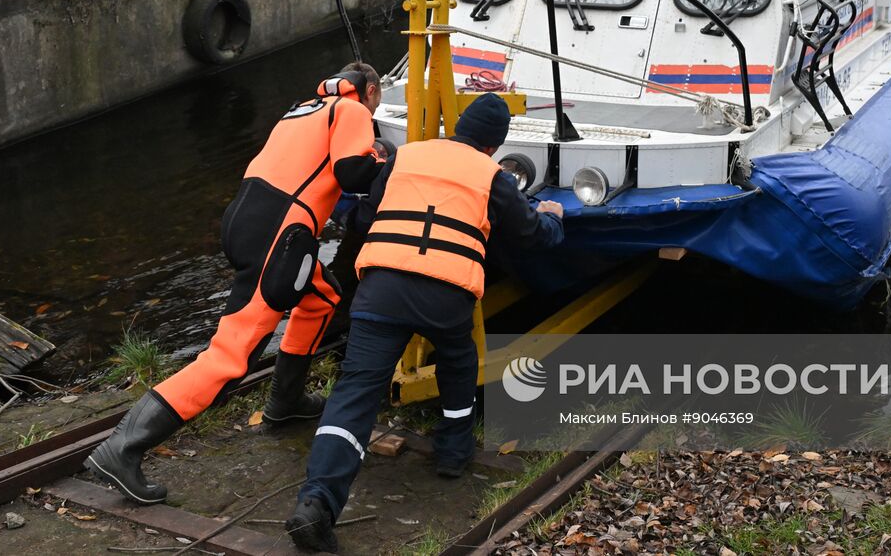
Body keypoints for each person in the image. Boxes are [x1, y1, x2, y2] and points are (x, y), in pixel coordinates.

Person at [84, 64, 386, 505]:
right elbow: (352, 174)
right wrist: (380, 155)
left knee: (322, 296)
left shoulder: (303, 108)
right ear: (372, 90)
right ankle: (123, 449)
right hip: (281, 233)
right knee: (231, 356)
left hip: (247, 217)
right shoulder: (353, 110)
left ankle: (286, 400)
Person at [285, 93, 565, 553]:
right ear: (494, 146)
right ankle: (453, 455)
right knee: (458, 361)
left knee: (355, 392)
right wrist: (556, 219)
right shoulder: (492, 176)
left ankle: (316, 502)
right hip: (445, 294)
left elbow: (366, 215)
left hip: (381, 289)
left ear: (458, 126)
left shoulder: (406, 157)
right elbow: (531, 235)